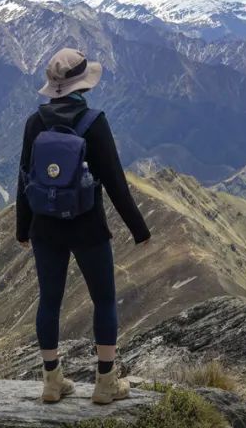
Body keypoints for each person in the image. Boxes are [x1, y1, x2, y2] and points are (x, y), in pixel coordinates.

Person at [16, 47, 151, 405]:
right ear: (83, 84)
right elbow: (114, 181)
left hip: (45, 227)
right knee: (104, 299)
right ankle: (105, 383)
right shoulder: (94, 122)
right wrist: (139, 230)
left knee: (49, 301)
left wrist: (21, 228)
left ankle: (51, 381)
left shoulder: (35, 122)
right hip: (88, 226)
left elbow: (25, 179)